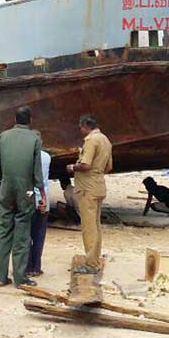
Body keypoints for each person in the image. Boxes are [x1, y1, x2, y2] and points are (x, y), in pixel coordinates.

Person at [0, 106, 47, 288]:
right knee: (22, 230)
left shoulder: (3, 136)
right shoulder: (34, 138)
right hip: (27, 190)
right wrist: (42, 193)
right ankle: (20, 278)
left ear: (14, 120)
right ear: (30, 120)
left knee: (2, 229)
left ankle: (0, 277)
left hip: (6, 186)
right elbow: (37, 171)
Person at [66, 115, 113, 274]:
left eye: (81, 128)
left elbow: (85, 164)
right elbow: (109, 167)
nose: (81, 131)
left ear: (86, 126)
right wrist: (96, 173)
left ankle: (91, 263)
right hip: (99, 185)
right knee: (96, 225)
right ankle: (95, 258)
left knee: (88, 227)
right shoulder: (105, 140)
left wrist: (73, 167)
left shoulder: (91, 140)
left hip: (87, 188)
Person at [26, 150, 52, 277]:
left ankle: (26, 267)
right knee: (39, 236)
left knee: (26, 235)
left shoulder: (27, 157)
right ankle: (36, 267)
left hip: (31, 200)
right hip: (44, 200)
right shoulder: (47, 156)